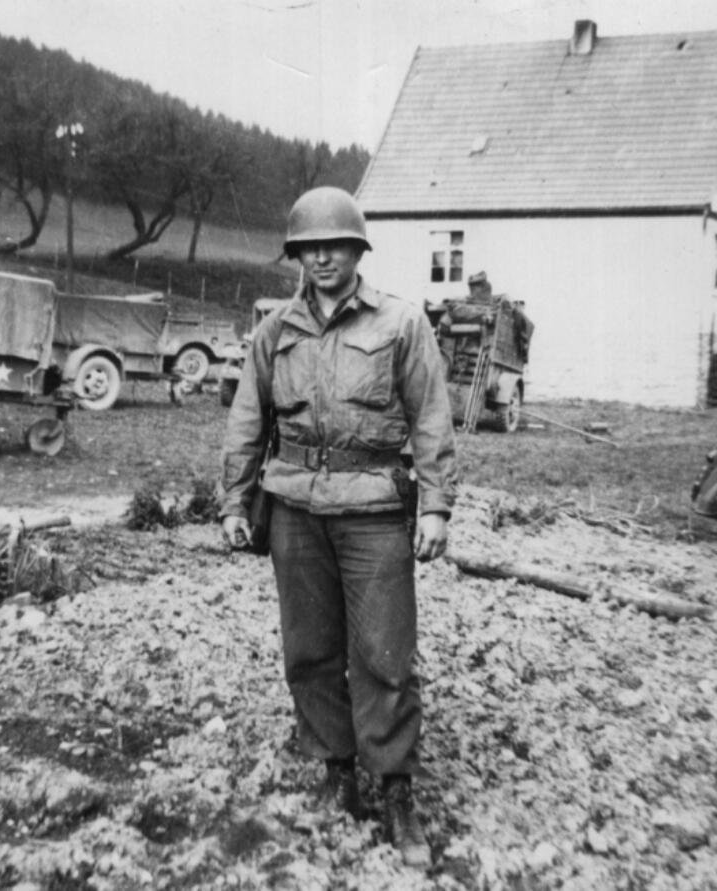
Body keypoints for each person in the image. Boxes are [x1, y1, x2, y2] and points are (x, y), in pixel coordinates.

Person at [218, 186, 457, 868]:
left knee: (383, 653)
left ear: (358, 249)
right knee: (310, 651)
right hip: (294, 508)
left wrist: (435, 504)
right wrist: (234, 501)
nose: (322, 257)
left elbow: (431, 417)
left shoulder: (401, 323)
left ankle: (396, 787)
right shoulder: (275, 331)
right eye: (308, 247)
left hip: (375, 510)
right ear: (296, 254)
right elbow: (247, 420)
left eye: (335, 245)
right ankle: (336, 772)